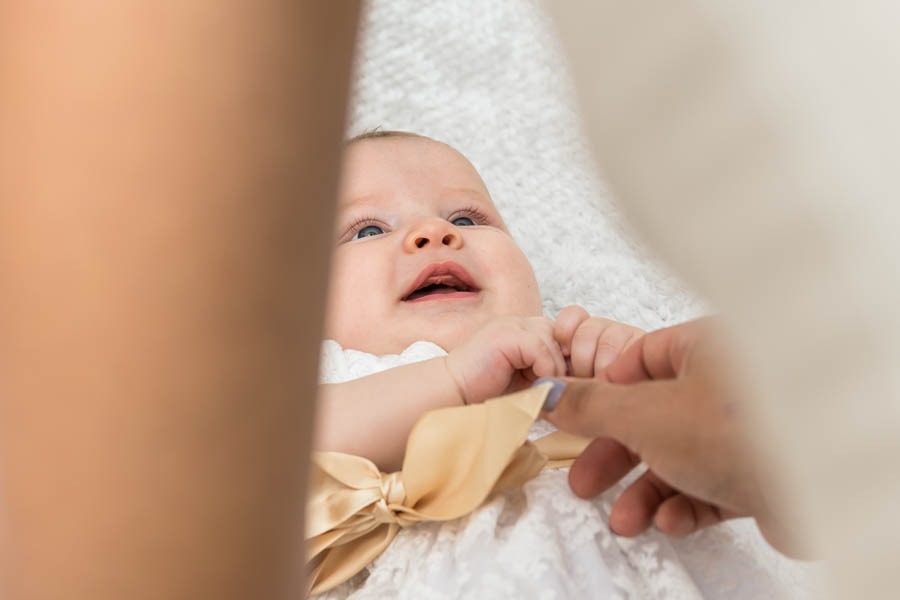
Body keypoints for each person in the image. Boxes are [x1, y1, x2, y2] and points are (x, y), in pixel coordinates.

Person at [310, 130, 805, 598]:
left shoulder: (573, 363)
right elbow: (272, 456)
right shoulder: (325, 379)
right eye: (368, 229)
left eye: (466, 220)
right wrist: (455, 378)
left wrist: (641, 380)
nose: (433, 232)